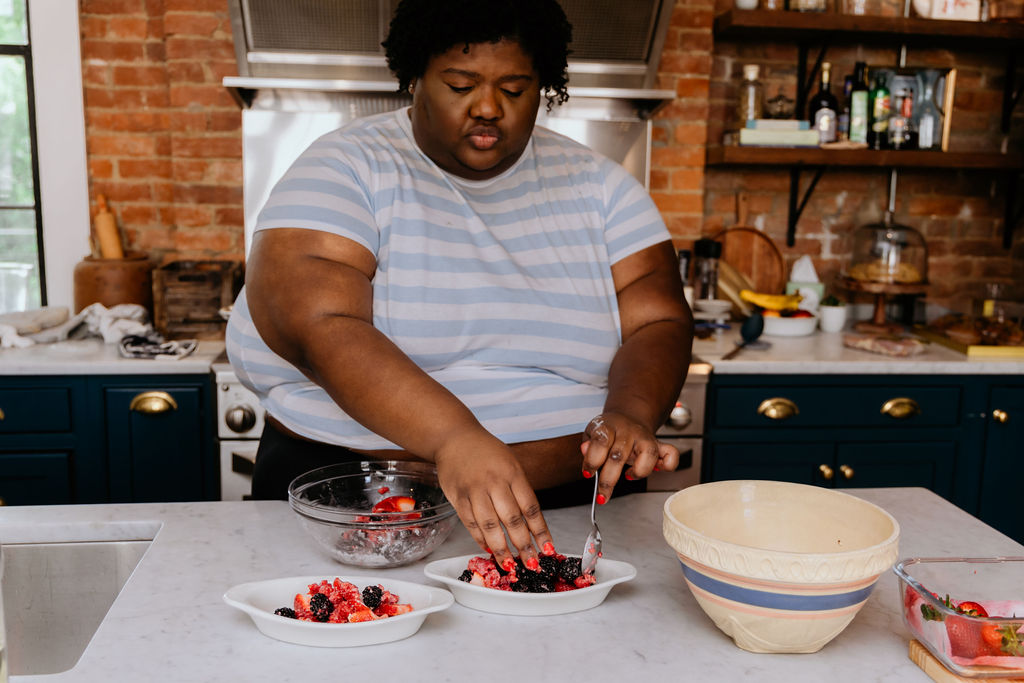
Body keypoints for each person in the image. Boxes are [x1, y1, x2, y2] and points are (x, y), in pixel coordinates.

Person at [226, 0, 693, 571]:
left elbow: (659, 320)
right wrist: (455, 440)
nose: (489, 107)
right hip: (356, 513)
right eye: (460, 84)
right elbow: (315, 324)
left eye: (516, 89)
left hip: (576, 514)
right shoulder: (343, 168)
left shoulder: (602, 187)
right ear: (415, 78)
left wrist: (631, 413)